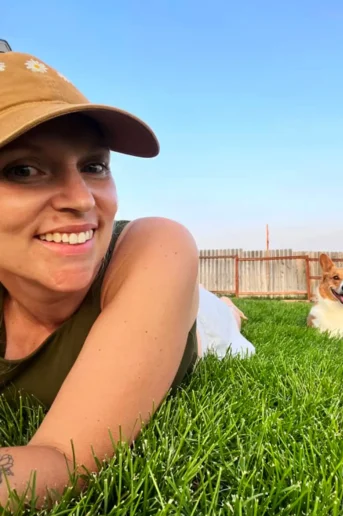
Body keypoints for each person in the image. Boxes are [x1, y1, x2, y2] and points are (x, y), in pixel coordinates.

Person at [0, 51, 254, 510]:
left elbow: (63, 462)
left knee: (221, 321)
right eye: (23, 170)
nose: (81, 199)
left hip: (181, 312)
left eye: (94, 166)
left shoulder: (160, 245)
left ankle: (219, 305)